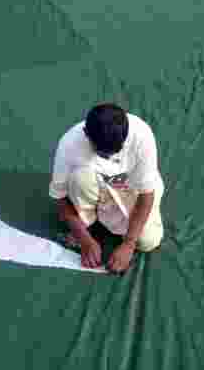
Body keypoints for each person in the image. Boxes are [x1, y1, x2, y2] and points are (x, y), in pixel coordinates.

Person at [49, 104, 165, 274]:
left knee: (148, 242)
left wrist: (129, 244)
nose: (109, 158)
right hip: (92, 183)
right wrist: (84, 239)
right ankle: (87, 221)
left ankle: (103, 221)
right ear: (86, 134)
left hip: (129, 185)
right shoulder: (69, 145)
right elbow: (59, 197)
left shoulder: (142, 135)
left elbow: (147, 194)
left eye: (115, 152)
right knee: (81, 177)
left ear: (126, 135)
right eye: (103, 153)